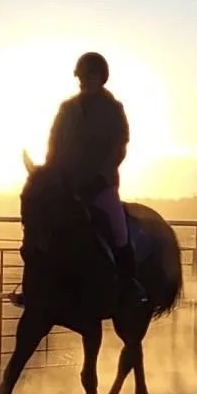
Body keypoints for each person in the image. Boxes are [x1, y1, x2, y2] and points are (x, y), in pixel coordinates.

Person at [46, 51, 137, 280]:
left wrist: (101, 177)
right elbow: (54, 143)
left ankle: (130, 287)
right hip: (67, 185)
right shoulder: (66, 109)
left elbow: (119, 146)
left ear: (102, 78)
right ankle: (35, 289)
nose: (86, 81)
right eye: (83, 77)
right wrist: (51, 173)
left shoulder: (113, 109)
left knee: (119, 231)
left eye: (91, 77)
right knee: (43, 226)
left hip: (100, 186)